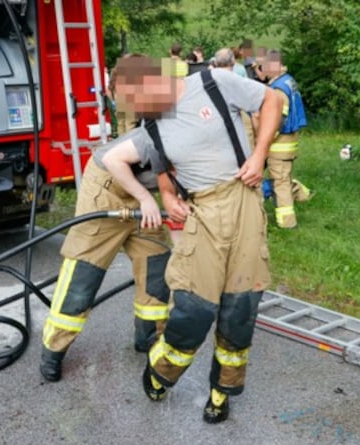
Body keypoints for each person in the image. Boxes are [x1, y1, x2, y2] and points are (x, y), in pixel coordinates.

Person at [103, 55, 283, 423]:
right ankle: (162, 371)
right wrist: (166, 198)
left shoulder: (213, 83)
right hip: (202, 215)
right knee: (195, 308)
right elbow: (163, 172)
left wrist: (260, 154)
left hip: (244, 204)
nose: (137, 108)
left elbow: (272, 101)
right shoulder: (151, 126)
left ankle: (222, 391)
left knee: (240, 307)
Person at [39, 129, 171, 382]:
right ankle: (53, 350)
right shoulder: (169, 131)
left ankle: (148, 338)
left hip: (143, 200)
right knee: (84, 275)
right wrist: (144, 198)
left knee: (156, 266)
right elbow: (112, 159)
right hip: (108, 187)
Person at [258, 49, 312, 228]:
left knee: (279, 182)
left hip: (279, 145)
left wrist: (264, 141)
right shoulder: (288, 81)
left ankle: (287, 223)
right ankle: (303, 194)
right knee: (283, 177)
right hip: (289, 144)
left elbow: (278, 121)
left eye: (264, 66)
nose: (262, 70)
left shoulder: (278, 89)